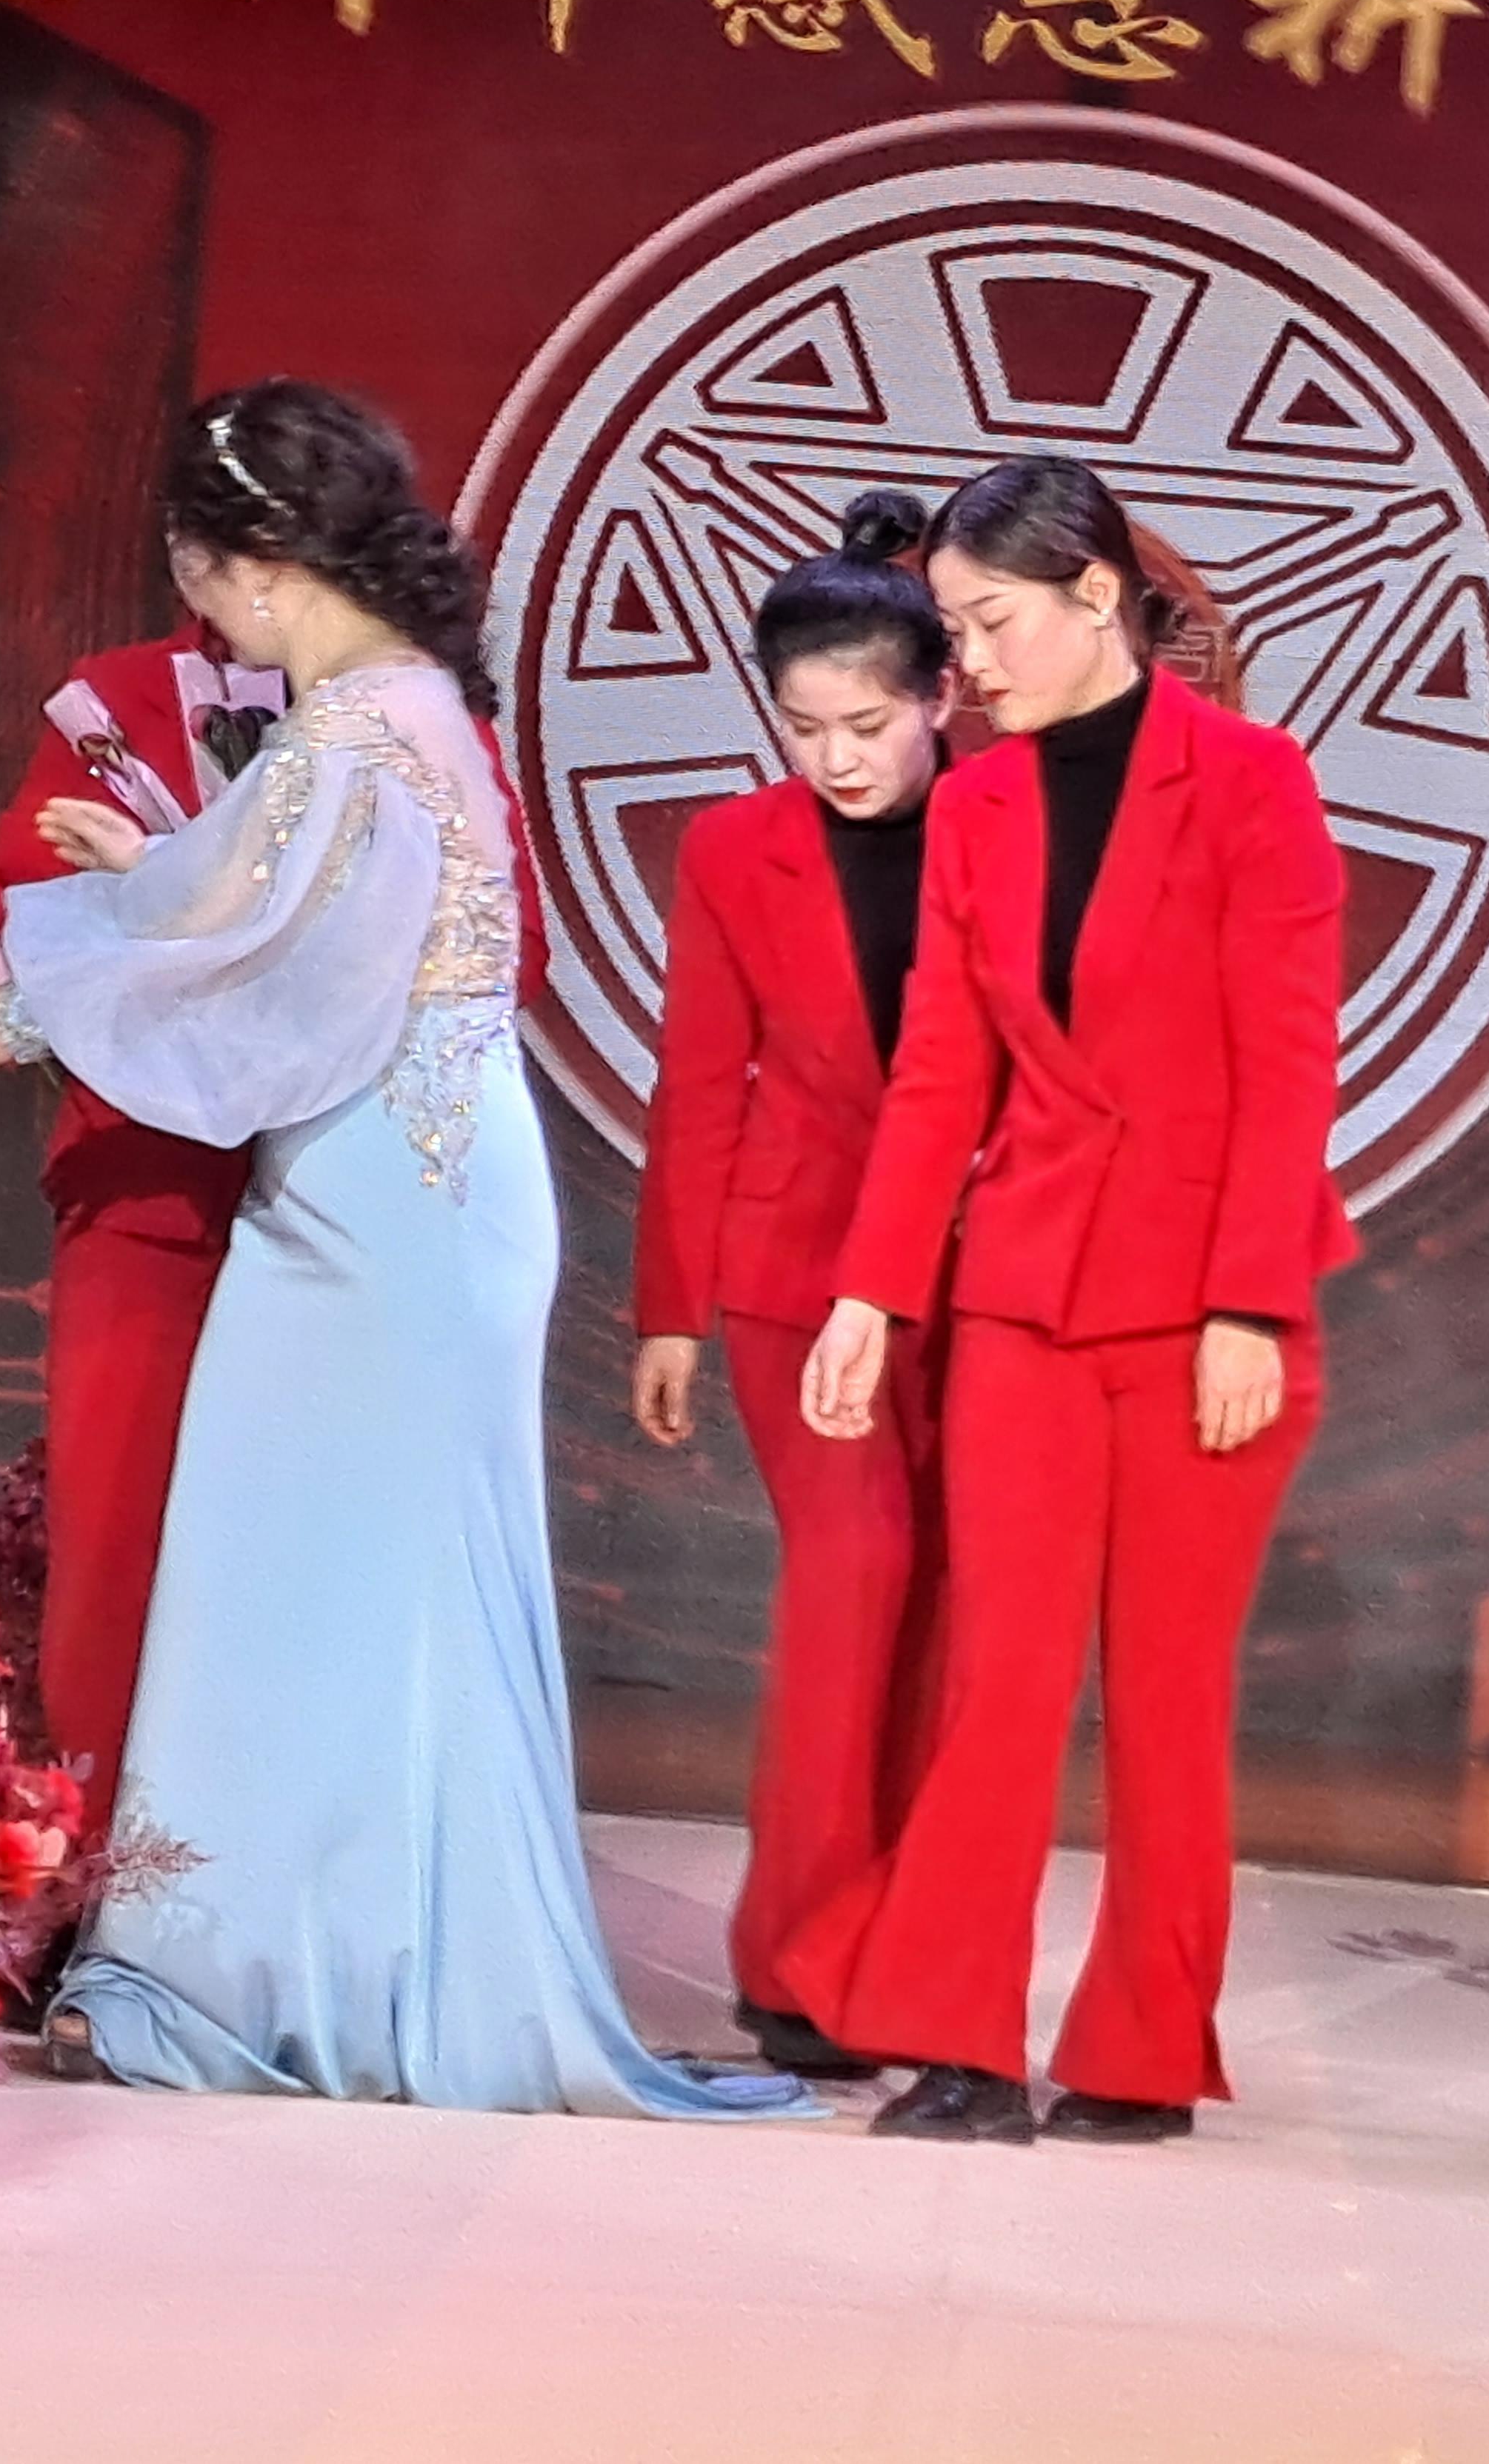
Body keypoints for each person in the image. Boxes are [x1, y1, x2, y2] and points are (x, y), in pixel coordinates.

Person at [0, 380, 806, 2122]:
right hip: (403, 1194)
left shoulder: (359, 731)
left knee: (289, 1583)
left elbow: (280, 984)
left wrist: (30, 1009)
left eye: (192, 565)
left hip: (385, 1205)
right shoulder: (395, 708)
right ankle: (334, 1963)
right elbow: (238, 897)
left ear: (241, 561)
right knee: (346, 1594)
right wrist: (107, 897)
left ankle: (266, 1976)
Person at [787, 458, 1353, 2146]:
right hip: (1023, 1295)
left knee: (1165, 1701)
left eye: (988, 623)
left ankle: (1142, 2052)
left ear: (1095, 596)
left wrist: (1247, 1305)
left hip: (1204, 1313)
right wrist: (870, 1293)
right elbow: (937, 1075)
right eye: (951, 630)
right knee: (999, 1682)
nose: (964, 665)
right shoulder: (976, 807)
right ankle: (954, 2037)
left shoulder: (1250, 781)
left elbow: (1285, 1060)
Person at [0, 630, 552, 1828]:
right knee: (122, 1533)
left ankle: (305, 1850)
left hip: (349, 1182)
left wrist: (196, 903)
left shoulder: (418, 714)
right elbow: (33, 922)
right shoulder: (114, 699)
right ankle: (102, 1858)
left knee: (322, 1544)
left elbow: (508, 952)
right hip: (148, 1178)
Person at [630, 492, 956, 2080]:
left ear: (940, 697)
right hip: (790, 1274)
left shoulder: (1010, 826)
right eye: (802, 726)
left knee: (951, 1611)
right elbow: (700, 1080)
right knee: (853, 1575)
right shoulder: (733, 847)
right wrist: (668, 1307)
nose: (835, 758)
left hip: (978, 1277)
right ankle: (795, 1960)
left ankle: (908, 1950)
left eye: (867, 725)